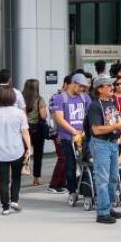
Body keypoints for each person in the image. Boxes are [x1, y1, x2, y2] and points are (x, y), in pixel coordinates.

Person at [85, 75, 121, 224]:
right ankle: (102, 212)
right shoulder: (94, 105)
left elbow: (113, 122)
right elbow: (97, 130)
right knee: (103, 179)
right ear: (99, 88)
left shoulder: (111, 103)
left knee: (112, 178)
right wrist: (117, 126)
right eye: (109, 85)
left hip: (112, 143)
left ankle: (109, 206)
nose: (112, 87)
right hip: (101, 144)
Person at [0, 87, 31, 216]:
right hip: (17, 150)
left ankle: (5, 207)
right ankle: (14, 200)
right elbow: (25, 132)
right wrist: (29, 147)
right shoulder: (20, 113)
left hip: (0, 151)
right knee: (16, 177)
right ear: (13, 98)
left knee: (3, 179)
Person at [53, 73, 90, 203]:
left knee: (86, 163)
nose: (82, 89)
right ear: (73, 83)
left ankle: (87, 189)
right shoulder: (60, 98)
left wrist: (84, 132)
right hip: (67, 137)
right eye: (80, 86)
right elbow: (59, 118)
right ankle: (72, 191)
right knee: (71, 164)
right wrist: (74, 132)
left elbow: (90, 115)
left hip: (83, 136)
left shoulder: (85, 97)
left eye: (84, 87)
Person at [22, 79, 49, 186]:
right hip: (37, 129)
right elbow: (43, 116)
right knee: (38, 155)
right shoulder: (39, 100)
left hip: (24, 129)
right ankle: (36, 178)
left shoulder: (22, 99)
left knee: (23, 152)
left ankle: (19, 173)